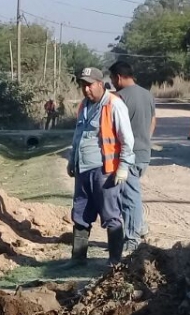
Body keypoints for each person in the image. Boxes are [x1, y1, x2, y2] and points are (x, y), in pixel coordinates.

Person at [66, 67, 135, 266]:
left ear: (100, 84)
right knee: (80, 214)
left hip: (105, 171)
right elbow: (78, 136)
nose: (86, 89)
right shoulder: (83, 106)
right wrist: (72, 160)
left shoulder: (114, 105)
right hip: (83, 170)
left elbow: (127, 139)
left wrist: (123, 166)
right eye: (83, 85)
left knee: (111, 215)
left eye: (89, 85)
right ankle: (78, 259)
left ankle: (114, 261)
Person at [108, 61, 156, 255]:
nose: (111, 82)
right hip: (144, 153)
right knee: (129, 194)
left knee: (129, 197)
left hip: (128, 156)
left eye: (112, 79)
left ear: (118, 77)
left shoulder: (118, 98)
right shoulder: (147, 94)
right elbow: (153, 120)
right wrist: (145, 140)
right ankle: (140, 226)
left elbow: (113, 128)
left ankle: (132, 239)